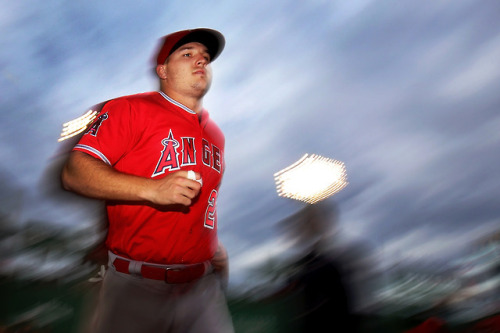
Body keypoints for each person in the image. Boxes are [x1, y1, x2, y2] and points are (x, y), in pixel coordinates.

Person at [61, 28, 234, 333]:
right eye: (188, 54)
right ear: (163, 70)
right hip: (134, 286)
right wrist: (152, 189)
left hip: (202, 288)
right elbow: (74, 172)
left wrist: (211, 245)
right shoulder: (129, 109)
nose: (201, 62)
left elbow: (202, 202)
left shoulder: (216, 135)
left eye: (205, 58)